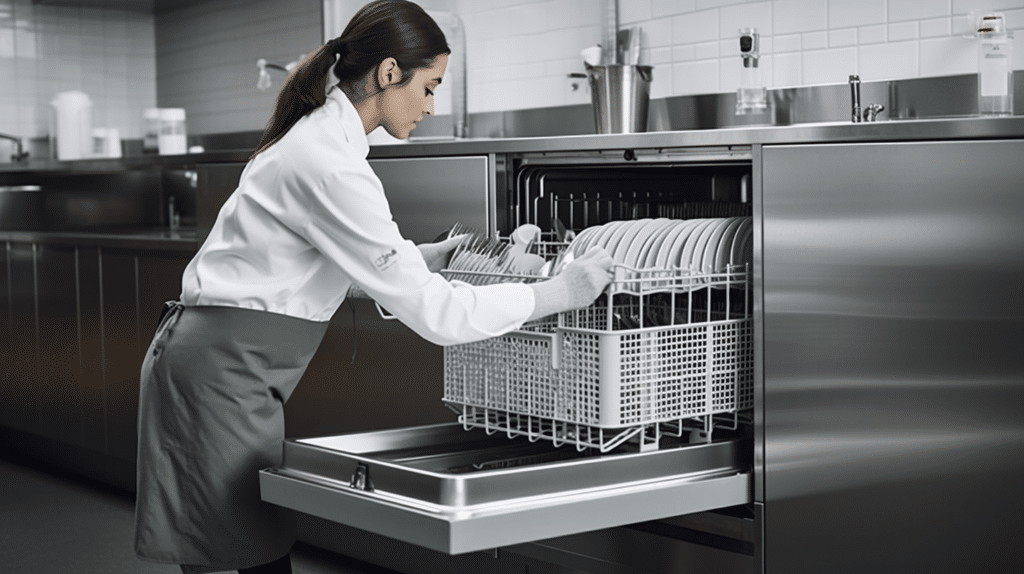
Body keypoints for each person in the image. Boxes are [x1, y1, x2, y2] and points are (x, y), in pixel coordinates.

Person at [133, 1, 614, 573]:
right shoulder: (328, 163)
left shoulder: (321, 144)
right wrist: (562, 292)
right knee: (238, 555)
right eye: (429, 86)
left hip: (230, 369)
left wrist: (418, 261)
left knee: (249, 548)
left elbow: (308, 267)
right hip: (217, 377)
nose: (432, 105)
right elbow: (438, 318)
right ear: (389, 73)